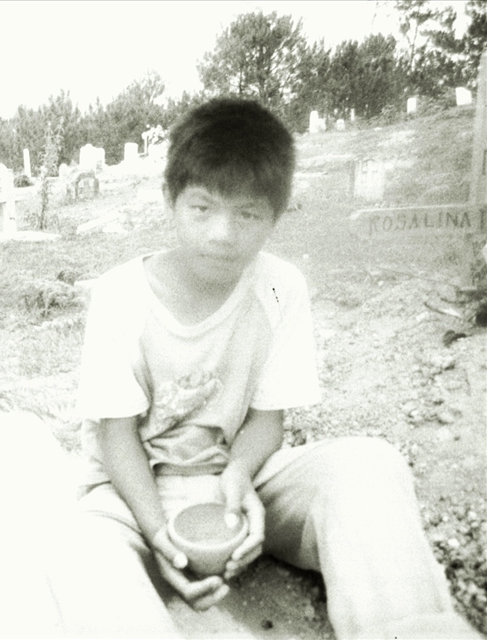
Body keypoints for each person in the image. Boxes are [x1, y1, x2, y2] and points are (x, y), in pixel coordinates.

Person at [70, 97, 478, 638]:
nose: (222, 233)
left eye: (248, 214)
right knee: (79, 548)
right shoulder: (120, 295)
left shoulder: (281, 288)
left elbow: (268, 419)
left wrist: (239, 477)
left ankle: (410, 626)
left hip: (240, 481)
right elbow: (115, 435)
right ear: (170, 200)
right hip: (136, 491)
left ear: (276, 217)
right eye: (202, 208)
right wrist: (156, 533)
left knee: (369, 463)